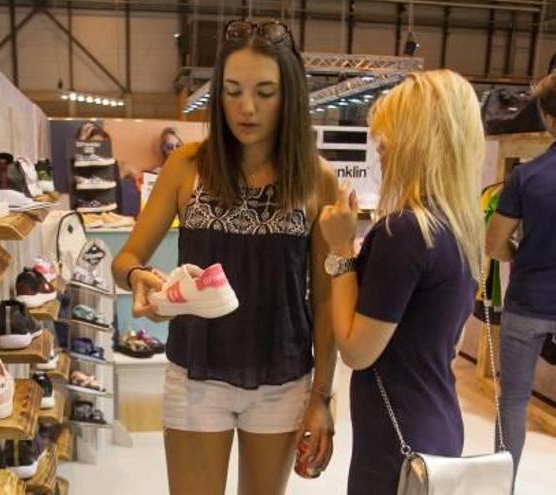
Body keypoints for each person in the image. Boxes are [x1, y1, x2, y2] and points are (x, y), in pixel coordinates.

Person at [112, 19, 337, 495]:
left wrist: (322, 397)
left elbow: (323, 300)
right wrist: (137, 275)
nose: (246, 107)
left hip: (282, 376)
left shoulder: (316, 179)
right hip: (197, 374)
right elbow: (129, 254)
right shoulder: (187, 166)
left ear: (290, 95)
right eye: (232, 91)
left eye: (265, 92)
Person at [318, 70, 485, 494]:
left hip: (398, 439)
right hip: (438, 422)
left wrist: (339, 251)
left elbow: (356, 350)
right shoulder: (460, 230)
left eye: (389, 138)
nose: (382, 149)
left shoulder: (405, 232)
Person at [486, 71, 556, 479]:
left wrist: (522, 257)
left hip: (528, 301)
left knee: (512, 399)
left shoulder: (525, 177)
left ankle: (502, 485)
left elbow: (494, 244)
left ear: (546, 117)